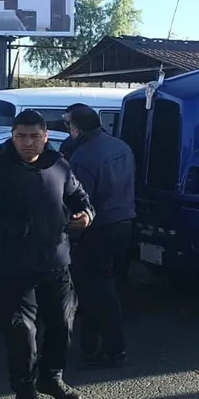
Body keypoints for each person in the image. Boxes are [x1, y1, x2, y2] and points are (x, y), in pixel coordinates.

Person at [0, 109, 95, 399]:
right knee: (22, 334)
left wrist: (86, 217)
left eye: (34, 136)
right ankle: (24, 394)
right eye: (21, 136)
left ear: (45, 137)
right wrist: (17, 228)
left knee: (62, 324)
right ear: (13, 137)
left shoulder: (59, 165)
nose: (28, 143)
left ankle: (51, 377)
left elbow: (80, 199)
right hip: (13, 267)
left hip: (56, 262)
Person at [63, 103, 136, 369]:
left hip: (97, 228)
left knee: (97, 289)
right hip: (124, 223)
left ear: (76, 127)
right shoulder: (121, 147)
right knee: (102, 284)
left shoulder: (83, 158)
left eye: (67, 124)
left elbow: (79, 202)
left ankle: (113, 348)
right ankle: (91, 345)